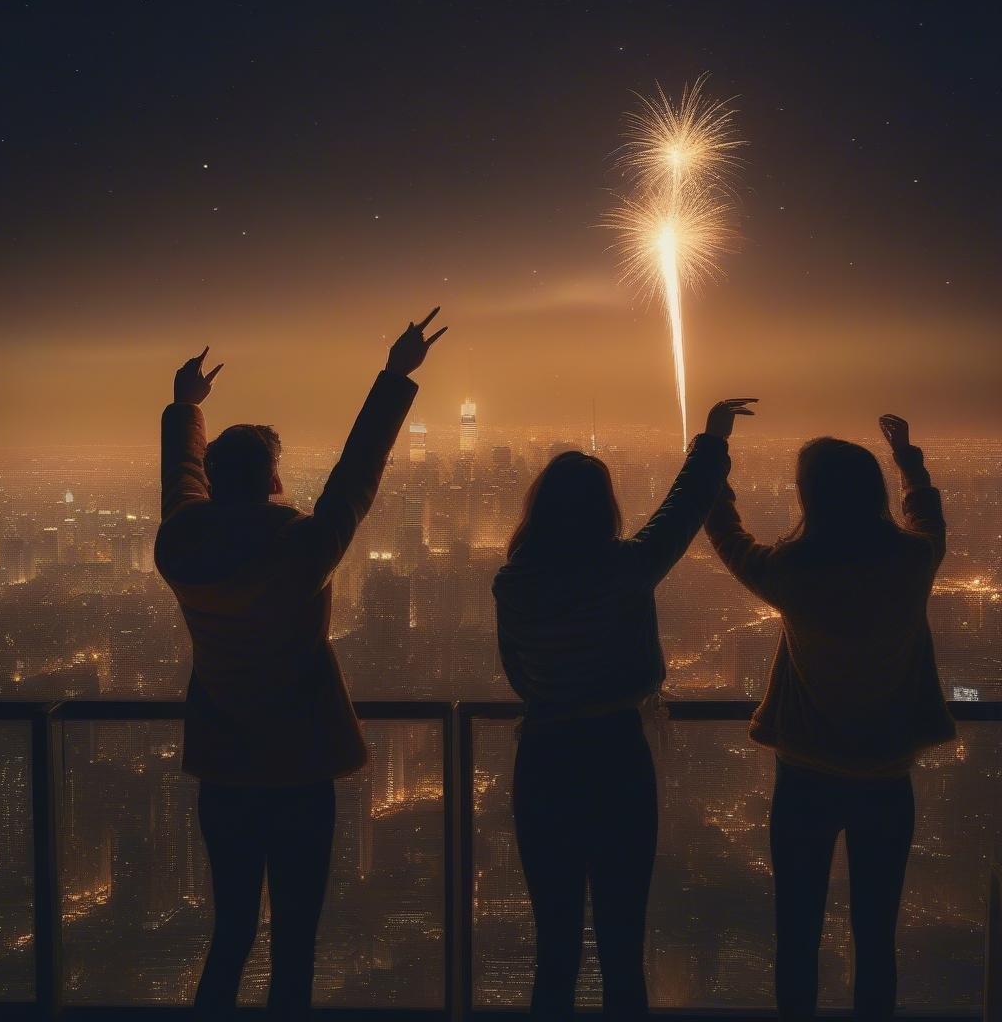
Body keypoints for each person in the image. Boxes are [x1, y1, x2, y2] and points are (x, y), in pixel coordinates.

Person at [154, 309, 447, 1019]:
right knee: (296, 942)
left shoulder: (181, 548)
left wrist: (184, 409)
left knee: (230, 933)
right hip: (301, 768)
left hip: (224, 769)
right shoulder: (303, 550)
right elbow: (356, 477)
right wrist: (394, 376)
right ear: (275, 480)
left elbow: (181, 489)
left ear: (217, 483)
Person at [492, 398, 757, 1020]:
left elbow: (517, 674)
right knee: (621, 945)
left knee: (553, 946)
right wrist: (712, 439)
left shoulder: (514, 583)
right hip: (616, 757)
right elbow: (680, 511)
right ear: (602, 509)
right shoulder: (625, 570)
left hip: (546, 761)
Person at [704, 415, 956, 1022]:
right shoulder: (911, 562)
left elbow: (730, 539)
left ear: (809, 498)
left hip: (806, 775)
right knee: (876, 939)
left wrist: (715, 464)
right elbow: (928, 519)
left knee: (796, 936)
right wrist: (909, 460)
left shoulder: (794, 571)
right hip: (887, 776)